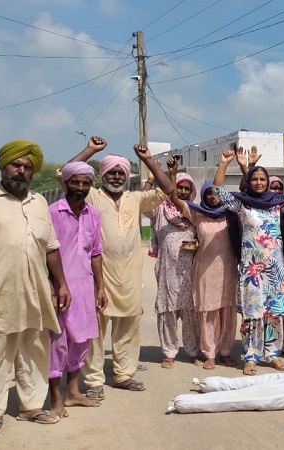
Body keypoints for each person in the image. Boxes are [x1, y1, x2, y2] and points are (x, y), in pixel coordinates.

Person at [0, 140, 72, 437]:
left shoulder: (39, 202)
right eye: (16, 165)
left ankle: (31, 406)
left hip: (35, 290)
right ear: (3, 166)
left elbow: (51, 247)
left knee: (34, 348)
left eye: (27, 167)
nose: (21, 171)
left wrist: (61, 283)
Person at [67, 137, 174, 399]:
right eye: (111, 172)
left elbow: (168, 189)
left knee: (128, 325)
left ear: (126, 176)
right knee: (95, 329)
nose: (116, 176)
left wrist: (148, 160)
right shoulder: (91, 194)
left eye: (120, 172)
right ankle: (93, 380)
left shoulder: (135, 198)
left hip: (129, 273)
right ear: (103, 174)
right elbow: (67, 172)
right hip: (97, 275)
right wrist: (91, 150)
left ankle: (124, 374)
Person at [213, 145, 284, 375]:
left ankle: (272, 354)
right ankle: (251, 355)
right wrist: (224, 164)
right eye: (254, 179)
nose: (258, 183)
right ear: (249, 180)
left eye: (262, 179)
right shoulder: (242, 203)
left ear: (267, 182)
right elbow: (218, 192)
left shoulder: (277, 203)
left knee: (273, 313)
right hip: (251, 269)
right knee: (252, 315)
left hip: (275, 268)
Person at [47, 162, 108, 418]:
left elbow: (95, 254)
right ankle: (56, 398)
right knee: (57, 343)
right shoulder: (52, 212)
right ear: (66, 183)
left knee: (81, 341)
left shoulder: (93, 213)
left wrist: (100, 287)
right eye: (75, 182)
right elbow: (46, 252)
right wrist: (53, 286)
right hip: (59, 287)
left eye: (85, 183)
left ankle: (73, 393)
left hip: (84, 287)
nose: (80, 188)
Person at [167, 160, 240, 370]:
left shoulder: (231, 213)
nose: (213, 196)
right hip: (205, 271)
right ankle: (210, 353)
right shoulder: (196, 212)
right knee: (208, 314)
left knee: (227, 312)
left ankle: (225, 351)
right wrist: (172, 173)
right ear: (203, 195)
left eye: (215, 193)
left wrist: (237, 166)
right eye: (208, 193)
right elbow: (174, 198)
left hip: (228, 270)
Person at [144, 159, 201, 369]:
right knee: (167, 312)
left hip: (189, 272)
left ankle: (193, 351)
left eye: (187, 188)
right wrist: (151, 181)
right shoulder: (159, 210)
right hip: (167, 270)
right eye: (180, 188)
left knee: (190, 314)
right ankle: (169, 352)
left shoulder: (193, 212)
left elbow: (203, 235)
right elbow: (143, 204)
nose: (184, 191)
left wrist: (197, 243)